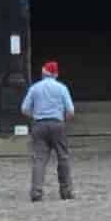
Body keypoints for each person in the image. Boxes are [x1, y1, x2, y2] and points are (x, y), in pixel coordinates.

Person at [21, 58, 76, 200]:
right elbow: (70, 111)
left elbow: (24, 109)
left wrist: (35, 117)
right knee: (63, 157)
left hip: (39, 125)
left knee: (39, 159)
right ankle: (66, 192)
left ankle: (36, 192)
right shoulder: (62, 88)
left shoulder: (34, 88)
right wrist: (63, 121)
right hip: (57, 124)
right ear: (56, 74)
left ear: (44, 73)